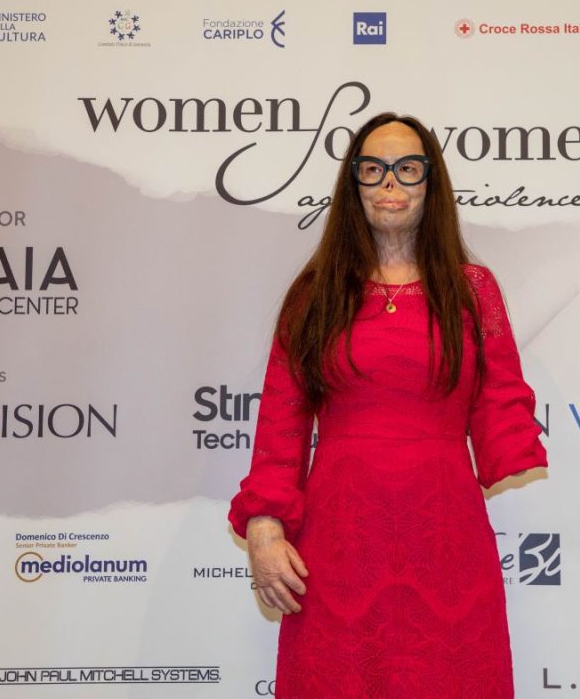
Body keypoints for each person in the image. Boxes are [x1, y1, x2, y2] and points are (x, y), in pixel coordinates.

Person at [228, 112, 548, 698]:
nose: (390, 183)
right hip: (338, 543)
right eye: (373, 169)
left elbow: (502, 394)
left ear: (431, 182)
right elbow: (280, 422)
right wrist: (266, 529)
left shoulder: (473, 291)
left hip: (446, 538)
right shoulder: (314, 294)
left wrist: (513, 443)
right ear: (354, 183)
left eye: (407, 168)